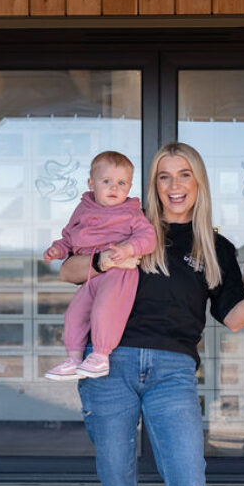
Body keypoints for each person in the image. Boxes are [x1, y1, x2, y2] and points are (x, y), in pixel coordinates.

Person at [61, 142, 244, 486]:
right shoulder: (130, 225)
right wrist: (104, 258)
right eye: (164, 176)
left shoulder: (215, 246)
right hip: (109, 367)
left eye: (184, 175)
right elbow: (70, 271)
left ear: (198, 183)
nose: (175, 186)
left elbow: (232, 317)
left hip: (172, 374)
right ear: (153, 185)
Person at [43, 151, 157, 380]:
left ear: (130, 186)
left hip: (118, 271)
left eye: (121, 183)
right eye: (107, 181)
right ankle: (74, 358)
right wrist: (59, 249)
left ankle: (101, 355)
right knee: (75, 313)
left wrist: (129, 248)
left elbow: (148, 237)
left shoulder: (131, 212)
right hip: (91, 275)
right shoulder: (83, 209)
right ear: (91, 183)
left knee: (105, 309)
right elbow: (70, 236)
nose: (114, 188)